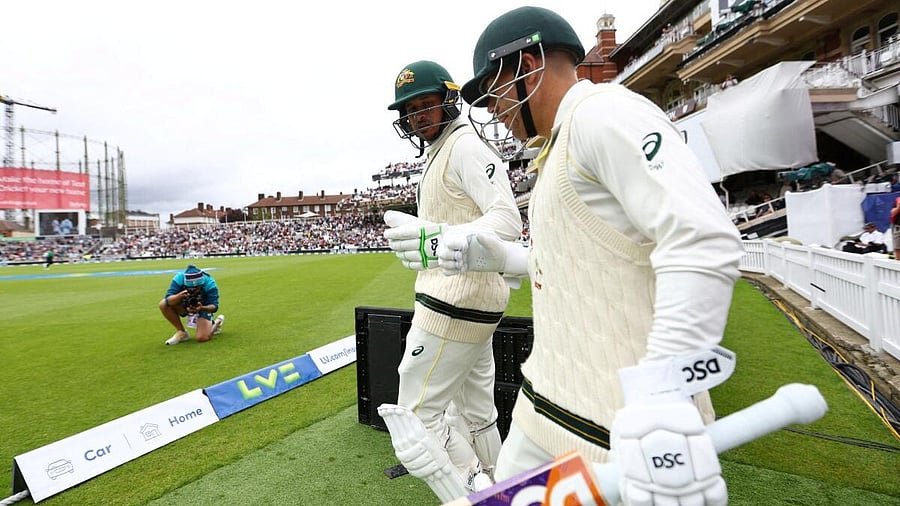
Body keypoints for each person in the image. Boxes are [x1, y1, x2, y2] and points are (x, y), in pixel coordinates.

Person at [435, 6, 745, 504]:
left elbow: (702, 239)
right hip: (546, 407)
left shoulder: (603, 113)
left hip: (615, 432)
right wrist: (500, 258)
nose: (493, 111)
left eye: (493, 90)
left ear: (528, 64)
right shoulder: (556, 145)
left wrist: (662, 390)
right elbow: (581, 264)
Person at [378, 60, 523, 501]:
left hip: (454, 301)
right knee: (476, 410)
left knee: (417, 416)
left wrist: (437, 237)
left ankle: (477, 488)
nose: (419, 116)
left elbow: (507, 220)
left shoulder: (463, 147)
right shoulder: (446, 148)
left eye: (426, 105)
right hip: (472, 300)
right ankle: (504, 489)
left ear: (448, 100)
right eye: (411, 110)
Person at [159, 264, 225, 345]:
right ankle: (182, 332)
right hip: (183, 304)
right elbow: (168, 300)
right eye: (190, 289)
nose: (194, 291)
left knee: (202, 338)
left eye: (197, 288)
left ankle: (216, 323)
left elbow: (214, 306)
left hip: (203, 306)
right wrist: (179, 296)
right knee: (163, 304)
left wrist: (202, 308)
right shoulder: (179, 278)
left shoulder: (210, 283)